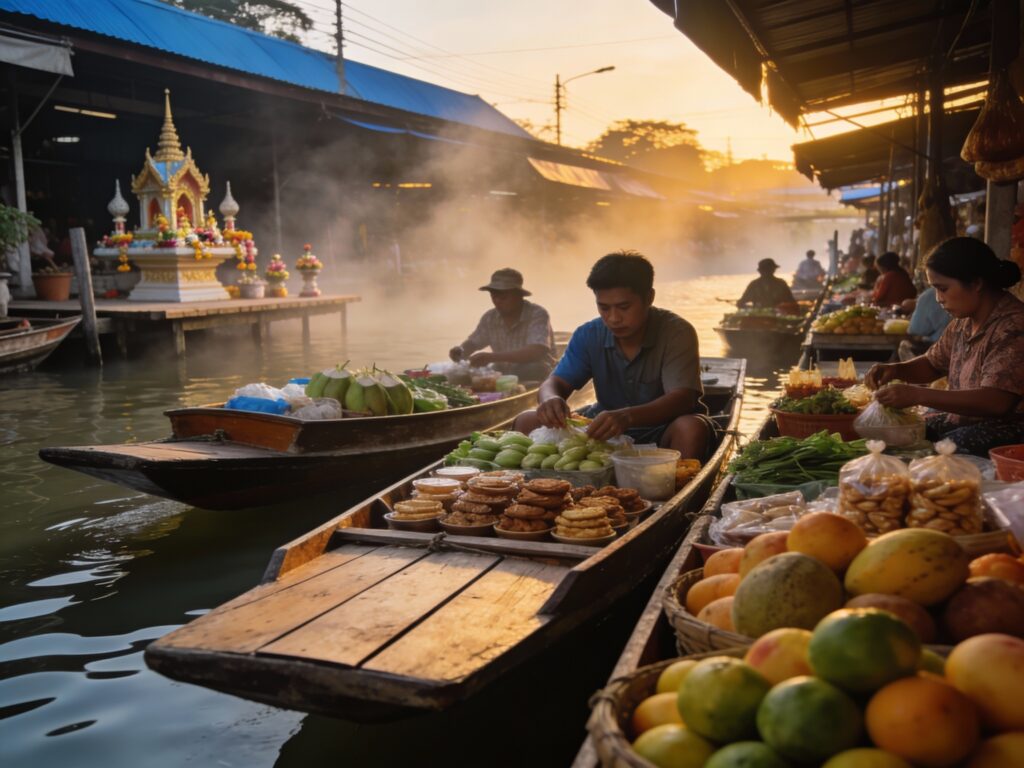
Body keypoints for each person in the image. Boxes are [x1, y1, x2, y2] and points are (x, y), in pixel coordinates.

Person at [512, 250, 718, 460]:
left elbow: (682, 398)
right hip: (604, 430)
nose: (613, 318)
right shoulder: (588, 334)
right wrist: (551, 399)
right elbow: (555, 382)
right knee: (526, 420)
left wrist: (627, 417)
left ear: (649, 298)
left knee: (691, 428)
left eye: (624, 307)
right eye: (604, 308)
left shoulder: (677, 332)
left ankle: (678, 488)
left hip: (661, 430)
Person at [867, 237, 1024, 456]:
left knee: (950, 444)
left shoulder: (1013, 326)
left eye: (943, 289)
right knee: (908, 432)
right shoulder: (963, 322)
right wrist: (896, 370)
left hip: (1012, 430)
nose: (939, 299)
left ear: (976, 283)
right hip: (968, 421)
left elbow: (996, 402)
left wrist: (917, 395)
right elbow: (933, 364)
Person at [449, 267, 557, 382]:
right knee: (473, 373)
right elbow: (473, 342)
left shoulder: (537, 313)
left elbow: (537, 351)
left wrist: (491, 357)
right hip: (505, 372)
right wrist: (460, 351)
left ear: (518, 295)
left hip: (538, 371)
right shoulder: (490, 318)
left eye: (504, 297)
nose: (498, 301)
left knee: (531, 369)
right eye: (494, 296)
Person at [898, 286, 951, 361]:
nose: (939, 299)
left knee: (904, 345)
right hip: (953, 348)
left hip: (935, 348)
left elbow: (915, 330)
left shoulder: (929, 295)